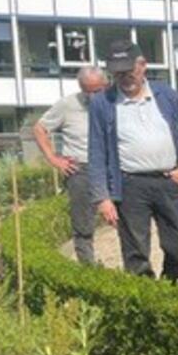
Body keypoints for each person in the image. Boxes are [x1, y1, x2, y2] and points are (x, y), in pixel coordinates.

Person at [89, 38, 178, 282]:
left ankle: (170, 288)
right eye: (118, 73)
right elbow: (96, 153)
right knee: (135, 252)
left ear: (143, 66)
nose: (124, 77)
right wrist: (103, 197)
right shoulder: (102, 103)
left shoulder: (166, 94)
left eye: (128, 71)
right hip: (130, 186)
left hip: (170, 181)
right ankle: (146, 298)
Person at [33, 65, 106, 265]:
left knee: (126, 218)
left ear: (105, 85)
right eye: (87, 91)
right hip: (80, 169)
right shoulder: (67, 105)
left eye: (97, 91)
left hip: (112, 168)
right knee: (83, 225)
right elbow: (40, 129)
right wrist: (53, 158)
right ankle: (88, 269)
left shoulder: (115, 102)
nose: (92, 96)